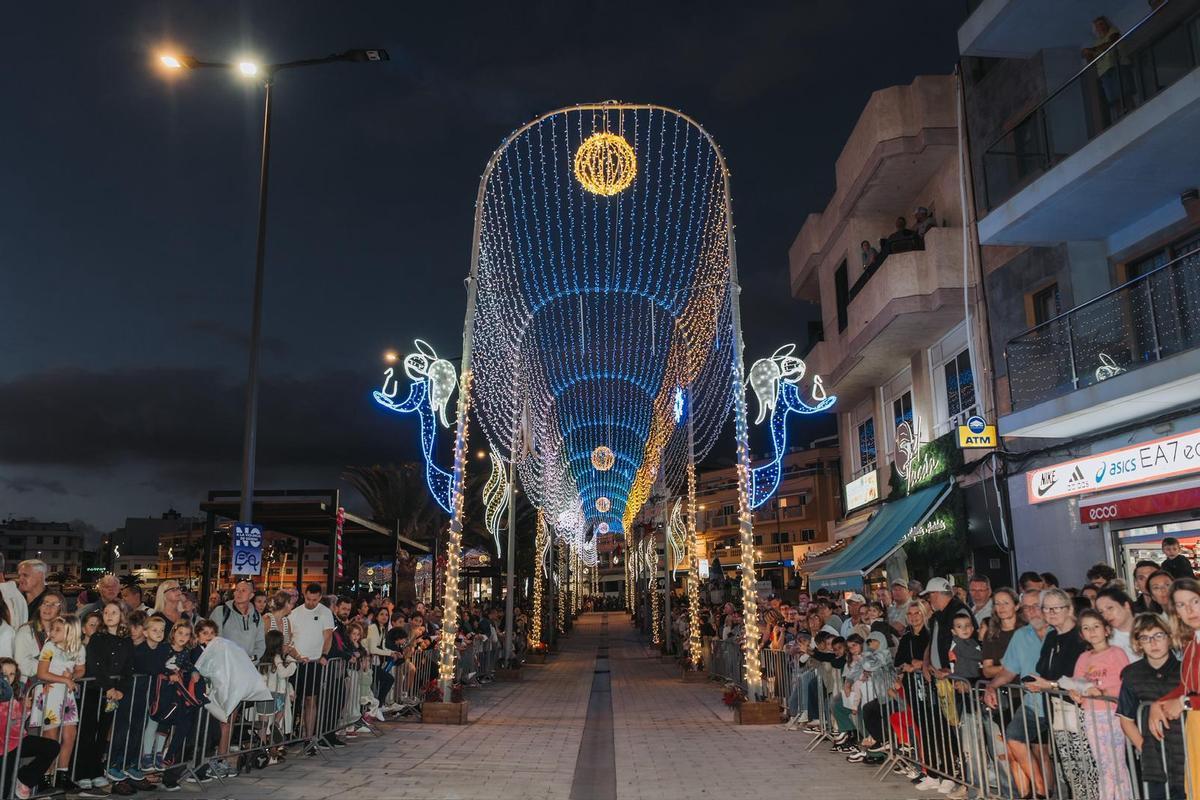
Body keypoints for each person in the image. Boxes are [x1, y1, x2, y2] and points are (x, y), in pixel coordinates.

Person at [1023, 588, 1095, 800]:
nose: (1051, 613)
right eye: (1046, 609)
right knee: (1069, 768)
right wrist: (1041, 683)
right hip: (1056, 709)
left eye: (1056, 608)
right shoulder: (1051, 636)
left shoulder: (1082, 636)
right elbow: (1043, 668)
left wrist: (1050, 684)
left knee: (1087, 766)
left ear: (1069, 609)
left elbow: (1082, 677)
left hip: (1080, 709)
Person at [982, 588, 1051, 799]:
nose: (1031, 611)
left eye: (1036, 606)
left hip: (1060, 703)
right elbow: (1008, 670)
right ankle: (1038, 792)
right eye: (1027, 607)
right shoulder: (1021, 635)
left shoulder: (1059, 631)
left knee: (1043, 753)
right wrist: (991, 687)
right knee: (1013, 739)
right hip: (1032, 704)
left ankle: (1045, 793)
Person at [1063, 608, 1132, 800]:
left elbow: (1126, 684)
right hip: (1091, 715)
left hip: (1113, 715)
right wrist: (1075, 693)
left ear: (1107, 630)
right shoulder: (1083, 658)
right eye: (1086, 628)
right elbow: (1077, 682)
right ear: (1081, 634)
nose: (1092, 631)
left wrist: (1103, 692)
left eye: (1096, 626)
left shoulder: (1116, 653)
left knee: (1116, 763)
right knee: (1102, 763)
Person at [1116, 613, 1184, 799]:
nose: (1153, 643)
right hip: (1154, 759)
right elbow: (1126, 719)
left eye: (1158, 635)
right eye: (1145, 638)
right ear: (1138, 644)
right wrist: (1144, 748)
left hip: (1187, 753)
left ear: (1169, 638)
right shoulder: (1131, 674)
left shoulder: (1184, 670)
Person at [75, 601, 133, 796]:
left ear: (122, 615)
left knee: (102, 732)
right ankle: (82, 772)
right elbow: (95, 664)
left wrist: (121, 689)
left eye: (114, 612)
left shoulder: (126, 641)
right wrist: (108, 687)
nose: (109, 615)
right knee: (87, 732)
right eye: (106, 612)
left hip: (113, 693)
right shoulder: (97, 638)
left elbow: (128, 667)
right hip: (94, 690)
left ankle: (96, 770)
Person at [31, 615, 85, 791]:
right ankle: (45, 776)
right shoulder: (49, 647)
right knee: (50, 738)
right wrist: (65, 679)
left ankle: (62, 774)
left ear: (70, 632)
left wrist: (73, 676)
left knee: (70, 735)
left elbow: (81, 669)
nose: (52, 632)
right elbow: (42, 673)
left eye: (57, 629)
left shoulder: (79, 648)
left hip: (66, 695)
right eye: (52, 629)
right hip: (51, 694)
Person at [0, 657, 61, 800]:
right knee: (3, 789)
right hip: (4, 746)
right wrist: (23, 708)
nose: (8, 677)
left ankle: (24, 778)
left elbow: (17, 722)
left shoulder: (17, 691)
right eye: (3, 673)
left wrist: (26, 707)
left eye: (12, 674)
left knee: (52, 747)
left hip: (17, 740)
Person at [287, 583, 334, 755]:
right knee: (291, 699)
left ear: (320, 598)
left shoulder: (325, 612)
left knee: (311, 699)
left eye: (315, 600)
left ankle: (309, 738)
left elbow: (328, 636)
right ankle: (288, 734)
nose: (311, 602)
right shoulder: (295, 613)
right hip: (295, 662)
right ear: (304, 596)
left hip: (314, 662)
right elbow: (289, 637)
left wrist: (324, 655)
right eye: (308, 599)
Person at [210, 579, 265, 661]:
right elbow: (214, 640)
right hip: (225, 664)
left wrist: (251, 659)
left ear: (251, 596)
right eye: (237, 590)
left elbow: (260, 643)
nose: (239, 593)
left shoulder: (256, 616)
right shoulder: (221, 612)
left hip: (248, 665)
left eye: (243, 590)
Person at [1094, 586, 1137, 660]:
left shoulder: (1150, 623)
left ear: (1126, 605)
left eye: (1110, 608)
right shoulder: (1107, 640)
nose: (1106, 615)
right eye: (1101, 612)